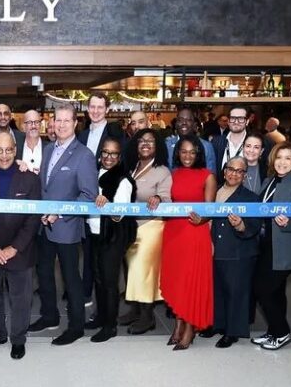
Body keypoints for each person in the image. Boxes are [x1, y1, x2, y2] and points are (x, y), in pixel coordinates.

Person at [28, 103, 98, 346]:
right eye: (58, 120)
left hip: (66, 227)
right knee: (44, 273)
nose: (61, 124)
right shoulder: (48, 149)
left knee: (70, 278)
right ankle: (50, 316)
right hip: (43, 225)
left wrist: (59, 212)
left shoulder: (84, 155)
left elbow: (89, 195)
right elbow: (44, 185)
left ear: (76, 123)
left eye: (67, 120)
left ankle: (76, 326)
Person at [0, 132, 42, 360]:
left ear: (15, 150)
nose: (4, 155)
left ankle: (18, 339)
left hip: (19, 252)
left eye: (9, 150)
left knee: (20, 298)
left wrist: (14, 248)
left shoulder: (30, 179)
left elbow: (33, 219)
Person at [251, 142, 291, 351]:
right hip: (266, 245)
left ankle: (282, 332)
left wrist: (290, 223)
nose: (282, 162)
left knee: (264, 289)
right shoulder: (268, 181)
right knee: (275, 292)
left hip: (286, 249)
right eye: (279, 157)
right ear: (272, 159)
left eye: (288, 158)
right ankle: (274, 331)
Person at [161, 135, 217, 350]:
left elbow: (210, 210)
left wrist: (202, 218)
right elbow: (167, 199)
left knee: (190, 281)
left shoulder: (207, 176)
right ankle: (177, 326)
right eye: (183, 151)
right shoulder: (172, 174)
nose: (187, 156)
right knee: (176, 281)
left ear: (199, 154)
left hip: (195, 232)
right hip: (174, 231)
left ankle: (190, 329)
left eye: (192, 152)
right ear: (178, 153)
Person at [118, 129, 171, 335]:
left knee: (143, 272)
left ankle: (148, 317)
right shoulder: (131, 168)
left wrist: (157, 197)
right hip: (130, 227)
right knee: (131, 270)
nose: (145, 144)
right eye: (141, 141)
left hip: (150, 227)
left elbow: (166, 198)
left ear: (157, 145)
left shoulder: (162, 171)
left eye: (150, 141)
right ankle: (135, 310)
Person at [207, 157, 261, 348]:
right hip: (216, 249)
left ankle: (233, 332)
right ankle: (218, 324)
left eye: (239, 171)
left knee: (236, 292)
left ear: (244, 176)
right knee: (219, 290)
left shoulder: (251, 198)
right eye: (231, 169)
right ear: (224, 171)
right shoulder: (214, 192)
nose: (234, 174)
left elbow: (255, 226)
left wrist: (240, 225)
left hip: (239, 251)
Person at [77, 92, 125, 307]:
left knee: (106, 256)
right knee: (88, 250)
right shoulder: (82, 135)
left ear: (107, 109)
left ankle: (107, 303)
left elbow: (121, 165)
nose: (95, 111)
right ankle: (86, 293)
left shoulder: (115, 133)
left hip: (109, 199)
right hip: (87, 199)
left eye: (100, 107)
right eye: (92, 107)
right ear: (88, 109)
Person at [87, 137, 137, 342]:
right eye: (105, 153)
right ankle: (100, 317)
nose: (108, 157)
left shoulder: (123, 180)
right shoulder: (93, 174)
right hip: (95, 233)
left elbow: (119, 215)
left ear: (119, 156)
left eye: (113, 154)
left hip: (113, 236)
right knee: (98, 278)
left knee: (109, 281)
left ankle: (110, 326)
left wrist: (108, 204)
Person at [165, 107, 216, 172]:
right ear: (176, 124)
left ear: (194, 125)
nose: (184, 123)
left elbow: (211, 174)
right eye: (180, 120)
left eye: (188, 120)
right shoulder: (167, 145)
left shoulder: (206, 146)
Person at [18, 109, 49, 175]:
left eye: (37, 122)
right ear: (23, 126)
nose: (33, 126)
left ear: (40, 125)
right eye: (29, 122)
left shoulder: (49, 148)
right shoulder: (16, 148)